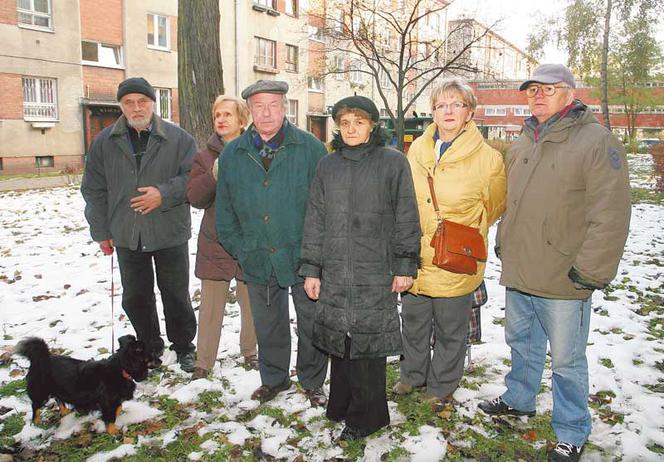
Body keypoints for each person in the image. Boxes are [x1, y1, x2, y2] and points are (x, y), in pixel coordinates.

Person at [478, 64, 631, 462]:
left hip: (565, 275)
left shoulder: (596, 141)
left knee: (566, 360)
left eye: (549, 89)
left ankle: (572, 429)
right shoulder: (525, 139)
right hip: (522, 267)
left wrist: (592, 270)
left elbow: (611, 213)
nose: (538, 96)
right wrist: (504, 239)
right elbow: (515, 200)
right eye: (532, 90)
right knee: (522, 344)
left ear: (569, 93)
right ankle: (519, 400)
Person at [299, 96, 421, 441]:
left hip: (375, 266)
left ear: (372, 125)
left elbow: (406, 216)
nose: (351, 129)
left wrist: (404, 264)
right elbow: (315, 218)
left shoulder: (393, 163)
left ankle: (369, 417)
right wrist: (312, 268)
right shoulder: (328, 165)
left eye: (359, 122)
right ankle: (341, 404)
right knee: (340, 338)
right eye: (346, 122)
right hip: (336, 265)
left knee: (368, 342)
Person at [394, 78, 506, 407]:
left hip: (455, 257)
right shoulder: (417, 148)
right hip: (417, 253)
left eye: (456, 104)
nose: (448, 111)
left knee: (449, 328)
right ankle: (412, 375)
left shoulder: (487, 158)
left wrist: (464, 228)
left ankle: (442, 385)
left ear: (469, 112)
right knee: (413, 322)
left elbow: (495, 205)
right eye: (442, 105)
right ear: (433, 111)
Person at [216, 80, 329, 406]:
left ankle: (312, 381)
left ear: (285, 107)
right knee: (268, 325)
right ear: (249, 111)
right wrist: (243, 249)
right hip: (257, 256)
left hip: (303, 256)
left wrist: (316, 256)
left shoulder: (310, 148)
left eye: (273, 105)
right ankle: (274, 379)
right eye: (259, 106)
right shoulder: (233, 154)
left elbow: (325, 207)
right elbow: (224, 214)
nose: (266, 113)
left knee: (310, 323)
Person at [81, 77, 197, 372]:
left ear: (153, 103)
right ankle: (149, 345)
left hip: (168, 229)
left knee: (176, 293)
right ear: (121, 106)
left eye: (142, 101)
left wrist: (164, 194)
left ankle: (183, 346)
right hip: (126, 233)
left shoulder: (178, 138)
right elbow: (93, 189)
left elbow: (193, 179)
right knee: (135, 296)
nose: (136, 107)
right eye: (129, 102)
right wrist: (101, 231)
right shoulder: (104, 142)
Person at [187, 95, 257, 380]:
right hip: (215, 241)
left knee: (251, 303)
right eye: (217, 114)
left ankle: (250, 353)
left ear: (242, 121)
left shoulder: (255, 153)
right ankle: (203, 363)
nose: (221, 119)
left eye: (228, 114)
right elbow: (195, 197)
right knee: (211, 308)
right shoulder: (204, 157)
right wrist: (213, 176)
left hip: (249, 240)